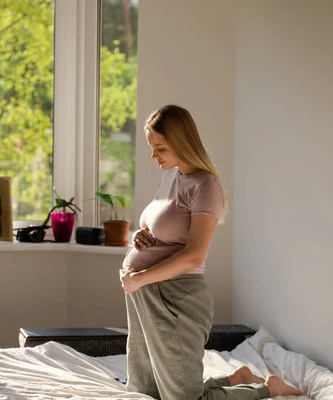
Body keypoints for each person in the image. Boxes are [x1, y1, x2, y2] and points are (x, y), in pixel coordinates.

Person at [119, 105, 304, 400]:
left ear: (181, 142)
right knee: (145, 391)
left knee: (183, 399)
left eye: (160, 148)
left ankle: (266, 388)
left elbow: (193, 255)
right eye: (152, 148)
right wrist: (140, 236)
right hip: (144, 295)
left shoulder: (206, 186)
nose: (154, 156)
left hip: (177, 298)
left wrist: (140, 278)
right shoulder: (171, 176)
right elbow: (164, 228)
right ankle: (235, 377)